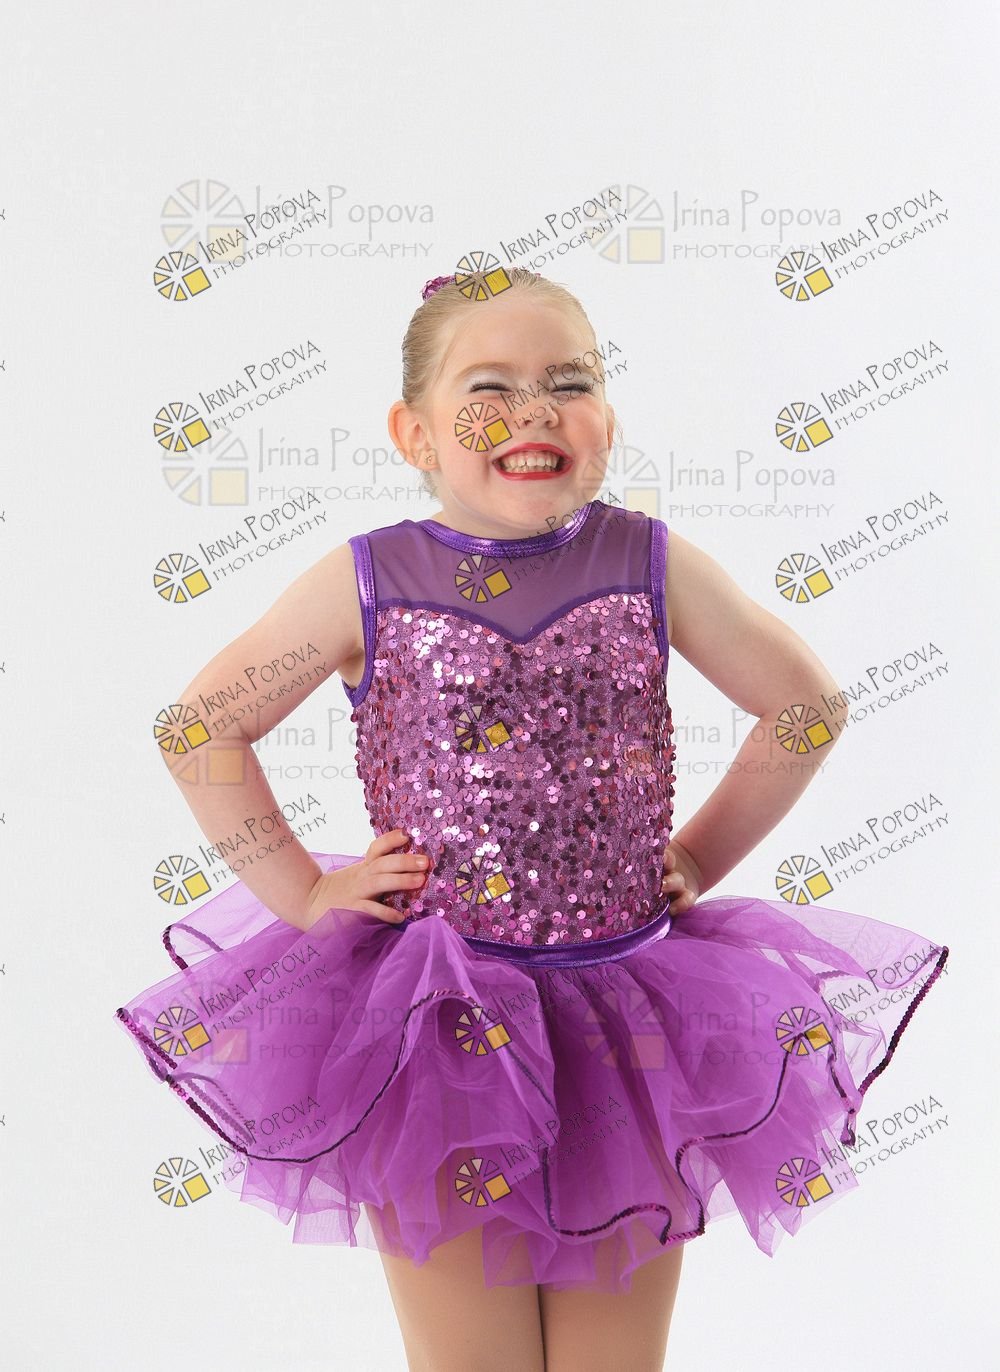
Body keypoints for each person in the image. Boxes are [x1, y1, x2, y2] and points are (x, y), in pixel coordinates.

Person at [116, 267, 949, 1372]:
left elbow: (805, 708)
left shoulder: (645, 561)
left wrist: (698, 854)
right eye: (489, 388)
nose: (533, 411)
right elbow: (201, 729)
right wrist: (307, 893)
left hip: (629, 1023)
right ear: (415, 433)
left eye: (570, 382)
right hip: (437, 1030)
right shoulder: (369, 579)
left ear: (607, 414)